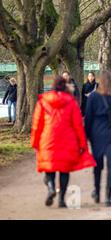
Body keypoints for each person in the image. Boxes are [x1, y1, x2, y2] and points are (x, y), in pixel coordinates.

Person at [31, 76, 96, 208]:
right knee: (64, 171)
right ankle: (61, 200)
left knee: (49, 169)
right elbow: (78, 125)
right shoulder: (71, 102)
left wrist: (35, 142)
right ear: (65, 87)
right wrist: (82, 144)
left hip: (48, 140)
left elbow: (37, 125)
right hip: (68, 141)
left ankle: (50, 188)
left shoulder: (43, 102)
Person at [84, 71, 111, 207]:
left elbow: (88, 117)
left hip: (97, 133)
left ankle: (97, 191)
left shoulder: (94, 97)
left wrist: (87, 135)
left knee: (97, 165)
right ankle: (108, 196)